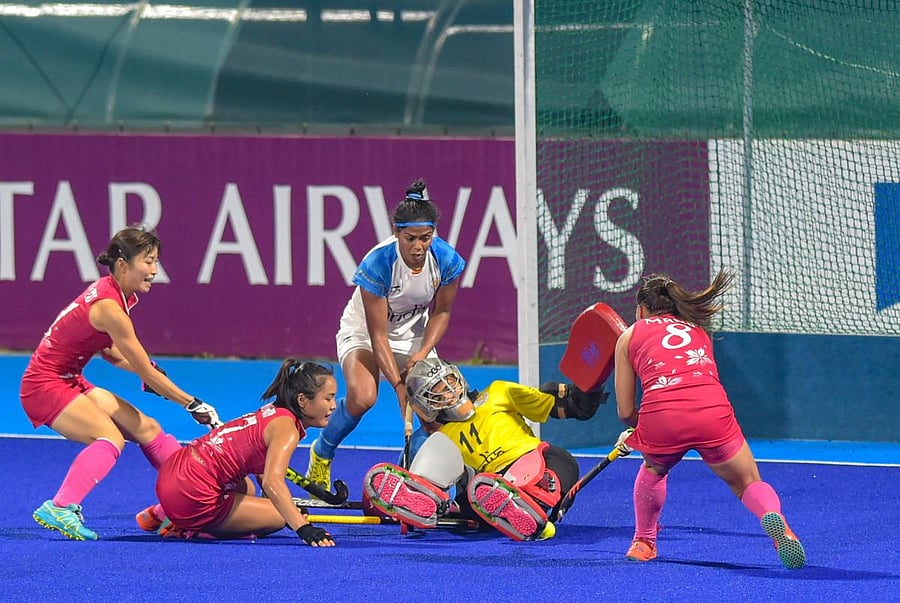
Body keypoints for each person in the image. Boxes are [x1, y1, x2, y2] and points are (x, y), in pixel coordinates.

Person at [19, 225, 222, 541]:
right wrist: (192, 403)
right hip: (44, 386)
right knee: (108, 438)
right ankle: (60, 506)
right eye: (148, 262)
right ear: (123, 264)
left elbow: (111, 353)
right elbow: (143, 369)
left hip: (70, 380)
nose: (155, 271)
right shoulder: (109, 308)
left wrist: (148, 371)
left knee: (147, 428)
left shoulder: (112, 293)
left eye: (156, 261)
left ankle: (189, 491)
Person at [613, 270, 806, 569]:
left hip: (662, 419)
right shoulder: (699, 330)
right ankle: (777, 521)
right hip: (712, 410)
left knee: (653, 470)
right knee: (747, 482)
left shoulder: (629, 336)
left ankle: (643, 542)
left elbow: (625, 412)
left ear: (641, 310)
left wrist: (639, 429)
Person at [306, 179, 466, 489]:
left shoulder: (445, 259)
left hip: (415, 337)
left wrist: (421, 354)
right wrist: (399, 385)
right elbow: (378, 335)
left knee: (435, 410)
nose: (418, 247)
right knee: (363, 397)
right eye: (410, 239)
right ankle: (322, 452)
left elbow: (442, 312)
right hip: (364, 333)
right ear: (396, 233)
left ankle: (414, 485)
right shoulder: (379, 263)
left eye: (425, 238)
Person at [361, 358, 616, 541]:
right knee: (464, 490)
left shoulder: (498, 391)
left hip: (531, 460)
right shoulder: (439, 438)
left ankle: (527, 501)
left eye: (450, 382)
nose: (449, 391)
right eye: (437, 391)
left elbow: (555, 405)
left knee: (563, 461)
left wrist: (584, 395)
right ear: (425, 405)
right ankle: (440, 505)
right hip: (486, 484)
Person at [144, 358, 336, 547]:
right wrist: (302, 526)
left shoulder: (273, 411)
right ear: (302, 400)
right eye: (328, 398)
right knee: (279, 518)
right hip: (191, 495)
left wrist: (286, 507)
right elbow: (272, 482)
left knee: (248, 490)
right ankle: (188, 525)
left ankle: (162, 511)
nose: (333, 405)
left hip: (173, 473)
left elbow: (262, 471)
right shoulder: (287, 430)